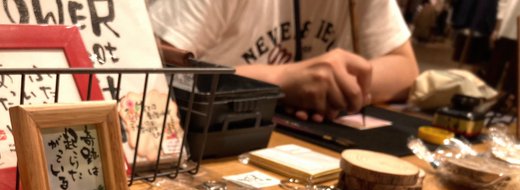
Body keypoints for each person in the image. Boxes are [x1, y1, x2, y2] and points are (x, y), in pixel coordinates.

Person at [148, 0, 419, 122]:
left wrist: (334, 85)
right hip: (212, 141)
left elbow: (405, 69)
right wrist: (280, 80)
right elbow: (149, 70)